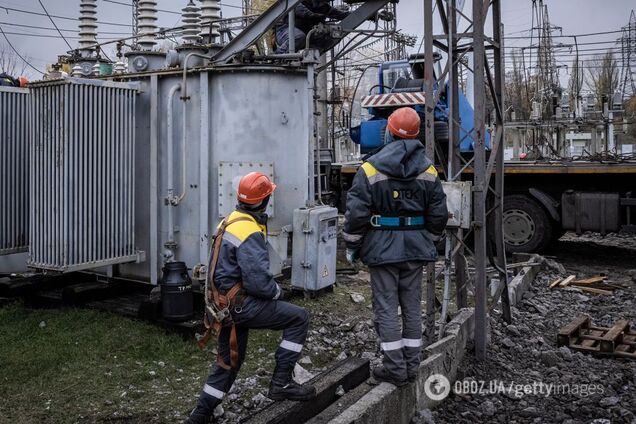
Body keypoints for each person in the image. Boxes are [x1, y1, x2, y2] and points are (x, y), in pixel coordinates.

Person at [186, 172, 316, 424]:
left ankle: (200, 416)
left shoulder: (229, 221)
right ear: (265, 200)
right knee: (299, 318)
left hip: (222, 306)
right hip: (240, 306)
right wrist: (278, 292)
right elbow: (258, 282)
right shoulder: (248, 230)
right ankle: (281, 383)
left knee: (229, 362)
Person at [343, 107, 448, 386]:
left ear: (388, 131)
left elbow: (356, 214)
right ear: (416, 135)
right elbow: (438, 214)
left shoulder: (369, 168)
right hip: (415, 248)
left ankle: (394, 369)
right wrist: (430, 240)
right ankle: (412, 367)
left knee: (387, 308)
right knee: (412, 306)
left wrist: (352, 245)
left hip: (381, 250)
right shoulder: (428, 169)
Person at [275, 0, 349, 53]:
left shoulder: (324, 7)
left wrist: (358, 14)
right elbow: (300, 10)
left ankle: (307, 59)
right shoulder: (297, 2)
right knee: (298, 36)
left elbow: (341, 15)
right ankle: (278, 56)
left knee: (332, 36)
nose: (323, 3)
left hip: (305, 37)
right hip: (284, 32)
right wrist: (315, 16)